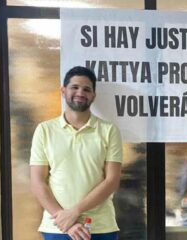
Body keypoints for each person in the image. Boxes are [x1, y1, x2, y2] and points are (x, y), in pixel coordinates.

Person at [30, 66, 123, 240]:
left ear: (93, 96)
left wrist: (75, 212)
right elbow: (37, 181)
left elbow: (112, 181)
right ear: (63, 91)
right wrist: (66, 220)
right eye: (74, 87)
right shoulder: (44, 130)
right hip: (57, 227)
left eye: (87, 89)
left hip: (100, 227)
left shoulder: (109, 131)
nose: (80, 92)